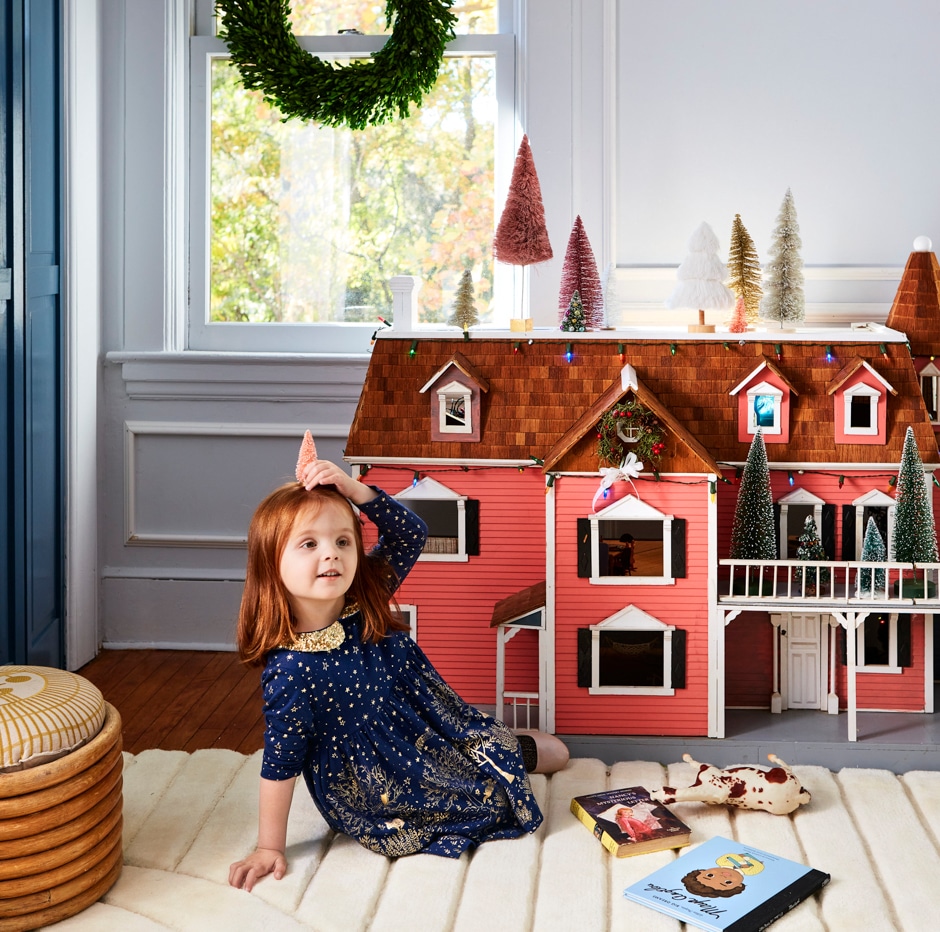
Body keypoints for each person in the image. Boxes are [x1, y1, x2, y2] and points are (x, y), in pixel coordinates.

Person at [229, 457, 547, 891]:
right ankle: (502, 765)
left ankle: (510, 754)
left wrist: (355, 490)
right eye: (308, 544)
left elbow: (411, 533)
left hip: (429, 726)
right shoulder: (291, 671)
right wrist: (270, 846)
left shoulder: (367, 594)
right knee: (486, 802)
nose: (331, 554)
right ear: (271, 562)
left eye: (343, 541)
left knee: (536, 750)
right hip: (377, 777)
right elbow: (280, 762)